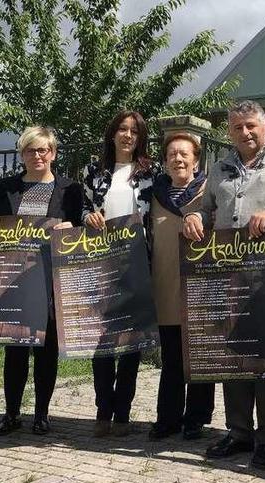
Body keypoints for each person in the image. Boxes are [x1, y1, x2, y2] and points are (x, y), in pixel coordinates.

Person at [183, 100, 265, 470]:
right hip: (226, 276)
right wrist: (195, 216)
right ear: (230, 131)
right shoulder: (220, 169)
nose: (244, 133)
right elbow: (204, 208)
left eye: (251, 126)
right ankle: (239, 432)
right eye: (237, 127)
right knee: (234, 352)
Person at [0, 126, 87, 437]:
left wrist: (71, 228)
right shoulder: (7, 187)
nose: (37, 155)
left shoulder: (71, 189)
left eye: (43, 150)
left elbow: (79, 229)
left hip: (49, 278)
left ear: (53, 153)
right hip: (12, 278)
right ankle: (11, 414)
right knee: (15, 351)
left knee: (47, 350)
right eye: (30, 150)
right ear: (22, 154)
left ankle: (42, 414)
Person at [82, 110, 156, 437]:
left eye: (134, 131)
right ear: (112, 134)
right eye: (122, 129)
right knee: (102, 343)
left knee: (130, 344)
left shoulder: (152, 173)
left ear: (140, 137)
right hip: (101, 266)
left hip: (138, 267)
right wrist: (88, 217)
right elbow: (81, 209)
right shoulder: (93, 172)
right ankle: (103, 410)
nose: (127, 135)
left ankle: (122, 413)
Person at [148, 132, 216, 441]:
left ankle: (197, 418)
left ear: (196, 160)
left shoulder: (209, 191)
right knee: (172, 356)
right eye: (172, 154)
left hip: (202, 285)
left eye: (184, 154)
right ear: (164, 162)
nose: (178, 159)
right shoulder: (153, 195)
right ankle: (168, 417)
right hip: (165, 284)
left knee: (200, 355)